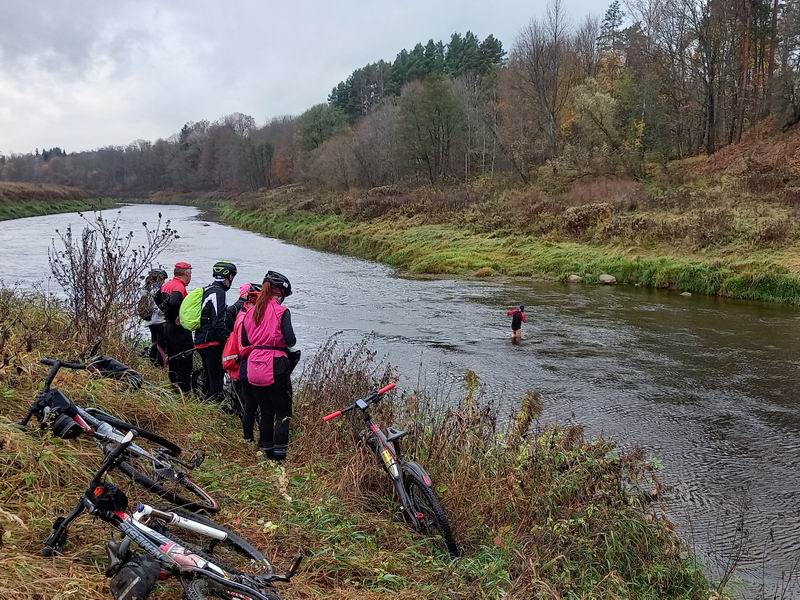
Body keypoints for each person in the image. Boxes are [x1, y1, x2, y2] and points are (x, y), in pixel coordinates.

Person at [240, 271, 296, 461]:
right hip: (275, 364)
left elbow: (245, 340)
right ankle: (280, 458)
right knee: (283, 413)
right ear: (279, 292)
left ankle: (267, 454)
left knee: (265, 411)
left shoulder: (251, 311)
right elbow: (291, 340)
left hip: (254, 366)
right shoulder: (282, 311)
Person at [194, 260, 241, 403]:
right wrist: (227, 342)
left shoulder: (207, 289)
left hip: (200, 339)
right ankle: (213, 410)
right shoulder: (218, 293)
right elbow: (218, 322)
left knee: (209, 377)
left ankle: (206, 407)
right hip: (211, 342)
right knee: (216, 381)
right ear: (229, 277)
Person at [222, 283, 262, 410]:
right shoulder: (244, 317)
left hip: (237, 359)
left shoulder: (242, 312)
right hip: (240, 361)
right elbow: (243, 348)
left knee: (244, 397)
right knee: (246, 403)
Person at [158, 262, 194, 392]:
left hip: (168, 326)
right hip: (179, 328)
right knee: (185, 358)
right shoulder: (179, 287)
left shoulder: (166, 285)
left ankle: (174, 387)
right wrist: (178, 317)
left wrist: (167, 315)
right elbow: (174, 302)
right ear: (186, 273)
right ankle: (184, 390)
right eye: (190, 273)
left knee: (173, 357)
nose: (191, 277)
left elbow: (158, 299)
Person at [138, 269, 168, 366]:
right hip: (159, 321)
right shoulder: (158, 290)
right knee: (162, 344)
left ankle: (152, 362)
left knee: (154, 342)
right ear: (161, 278)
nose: (164, 281)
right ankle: (160, 365)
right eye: (164, 279)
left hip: (150, 320)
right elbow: (159, 308)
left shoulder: (145, 289)